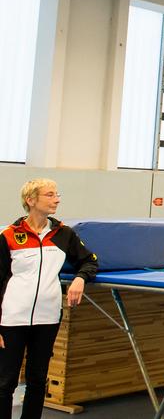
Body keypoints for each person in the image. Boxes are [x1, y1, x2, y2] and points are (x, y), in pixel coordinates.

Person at [0, 179, 98, 419]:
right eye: (50, 195)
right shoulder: (9, 236)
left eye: (57, 194)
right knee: (5, 381)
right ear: (30, 200)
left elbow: (89, 260)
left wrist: (80, 279)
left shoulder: (63, 234)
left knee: (37, 379)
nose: (57, 199)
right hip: (11, 319)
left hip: (47, 318)